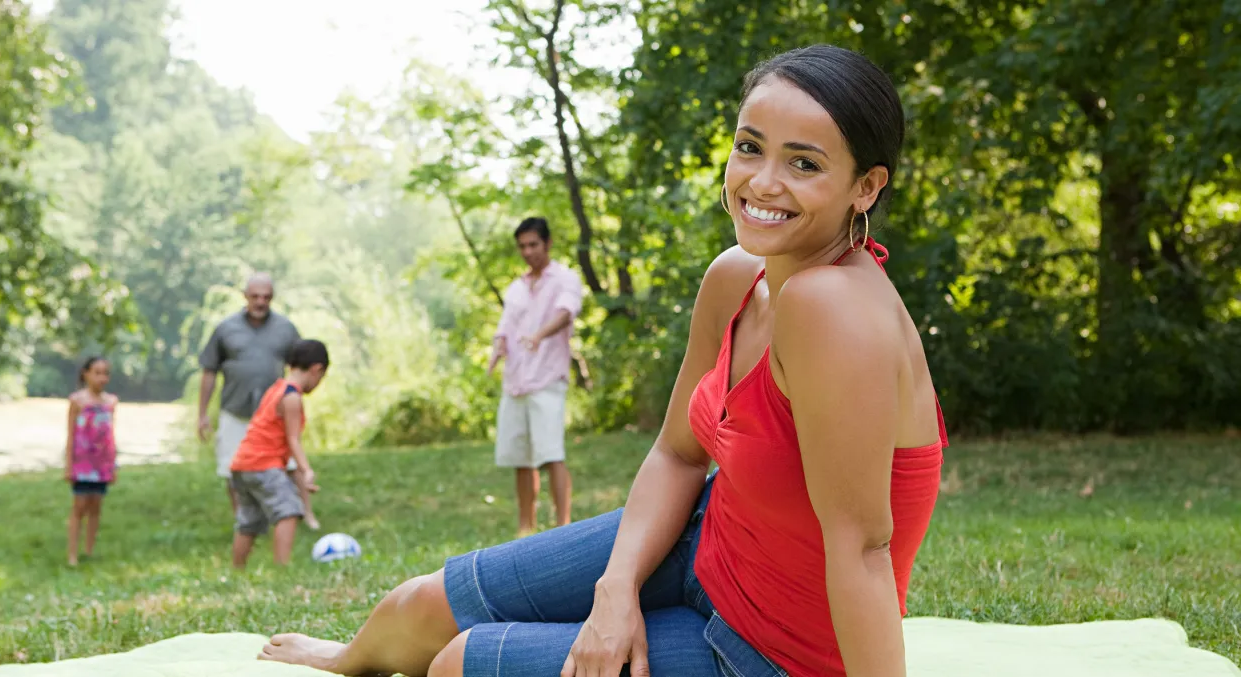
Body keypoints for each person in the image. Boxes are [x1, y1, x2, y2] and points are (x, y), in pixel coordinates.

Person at [257, 43, 948, 677]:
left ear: (865, 186)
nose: (762, 183)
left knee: (459, 664)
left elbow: (862, 548)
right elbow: (679, 454)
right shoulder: (738, 275)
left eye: (804, 163)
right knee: (417, 608)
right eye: (749, 148)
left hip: (775, 653)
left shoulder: (835, 309)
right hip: (707, 543)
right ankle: (351, 659)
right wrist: (615, 590)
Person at [486, 216, 584, 535]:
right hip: (516, 381)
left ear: (547, 243)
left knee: (551, 453)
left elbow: (565, 312)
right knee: (520, 457)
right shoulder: (516, 287)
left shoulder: (565, 278)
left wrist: (540, 334)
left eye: (533, 245)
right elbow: (505, 328)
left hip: (546, 378)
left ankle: (562, 526)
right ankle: (526, 527)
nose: (527, 251)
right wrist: (498, 349)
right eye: (522, 246)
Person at [197, 273, 313, 527]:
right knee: (232, 469)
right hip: (235, 410)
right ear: (245, 296)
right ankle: (244, 520)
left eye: (266, 297)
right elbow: (209, 371)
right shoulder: (226, 328)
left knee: (289, 464)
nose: (261, 302)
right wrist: (202, 414)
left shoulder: (286, 328)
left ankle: (306, 514)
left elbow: (302, 367)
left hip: (274, 413)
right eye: (255, 296)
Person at [229, 339, 329, 569]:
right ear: (316, 369)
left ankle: (237, 570)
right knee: (289, 511)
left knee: (249, 521)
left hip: (242, 463)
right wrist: (306, 470)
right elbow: (293, 439)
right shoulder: (292, 397)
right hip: (264, 464)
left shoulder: (277, 388)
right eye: (321, 377)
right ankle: (282, 567)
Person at [64, 356, 119, 567]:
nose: (102, 378)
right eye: (97, 372)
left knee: (96, 505)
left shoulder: (111, 402)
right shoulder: (77, 401)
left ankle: (89, 550)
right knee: (79, 505)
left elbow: (111, 434)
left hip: (102, 462)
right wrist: (69, 464)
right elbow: (70, 434)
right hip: (82, 461)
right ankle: (72, 555)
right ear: (86, 374)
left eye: (105, 373)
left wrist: (113, 464)